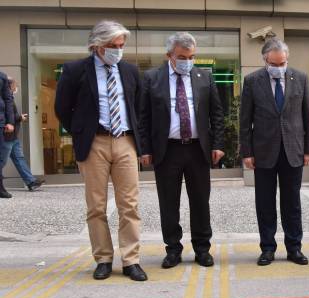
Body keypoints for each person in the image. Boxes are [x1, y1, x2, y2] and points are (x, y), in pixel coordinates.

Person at [55, 20, 147, 281]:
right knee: (96, 205)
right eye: (112, 46)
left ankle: (131, 260)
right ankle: (103, 258)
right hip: (94, 142)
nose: (117, 50)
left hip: (125, 141)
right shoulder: (75, 71)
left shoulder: (129, 70)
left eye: (121, 45)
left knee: (129, 204)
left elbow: (138, 106)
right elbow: (62, 108)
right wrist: (81, 132)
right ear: (96, 46)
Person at [139, 32, 225, 269]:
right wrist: (144, 148)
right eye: (183, 56)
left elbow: (216, 114)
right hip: (167, 150)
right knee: (169, 203)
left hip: (198, 150)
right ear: (169, 55)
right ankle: (173, 249)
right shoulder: (152, 78)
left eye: (192, 56)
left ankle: (202, 249)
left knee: (200, 201)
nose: (188, 60)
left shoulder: (204, 77)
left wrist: (218, 144)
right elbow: (143, 117)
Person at [239, 38, 309, 266]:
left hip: (293, 150)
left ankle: (294, 248)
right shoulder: (252, 81)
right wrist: (246, 152)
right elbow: (245, 120)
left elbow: (307, 116)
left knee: (292, 203)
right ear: (265, 60)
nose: (279, 67)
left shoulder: (299, 78)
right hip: (263, 151)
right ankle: (267, 248)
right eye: (274, 63)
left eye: (282, 63)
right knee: (265, 203)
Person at [0, 77, 44, 194]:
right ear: (10, 86)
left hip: (12, 136)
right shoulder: (4, 98)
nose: (17, 88)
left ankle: (31, 182)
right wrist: (20, 118)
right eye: (16, 85)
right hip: (7, 135)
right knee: (2, 161)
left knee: (19, 159)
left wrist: (18, 117)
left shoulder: (8, 97)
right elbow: (5, 116)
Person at [0, 70, 15, 199]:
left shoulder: (2, 76)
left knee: (1, 156)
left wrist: (10, 122)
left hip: (1, 122)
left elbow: (8, 99)